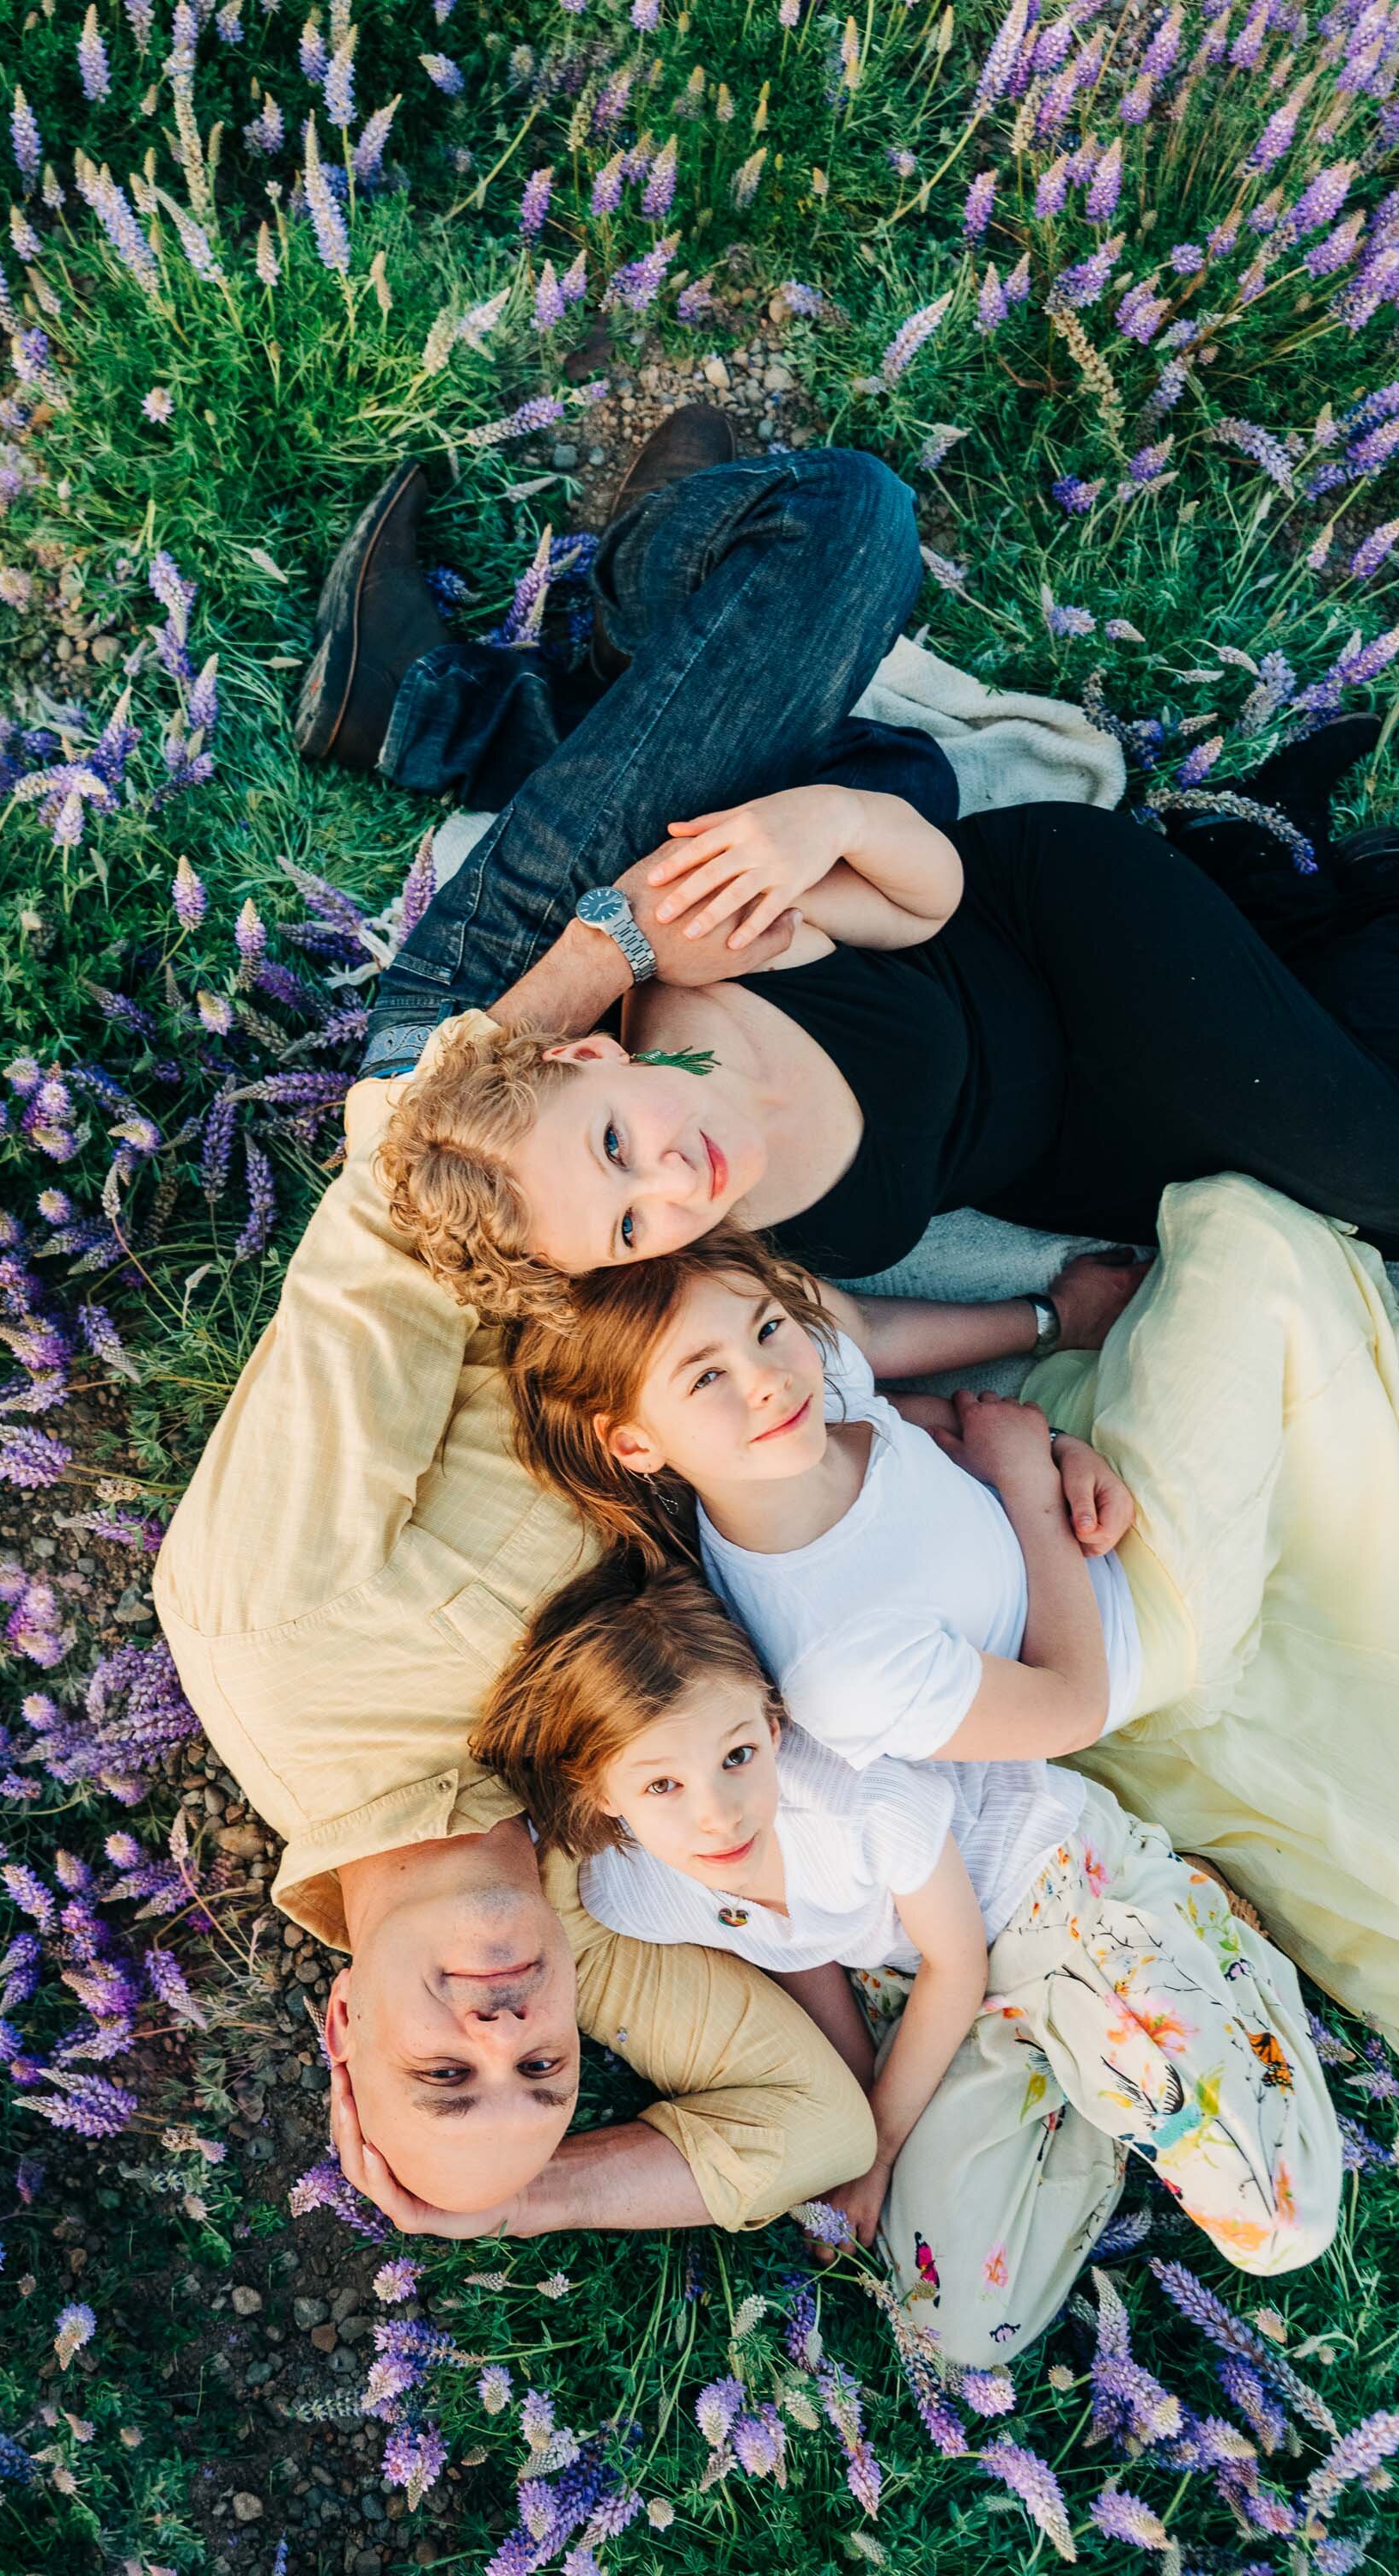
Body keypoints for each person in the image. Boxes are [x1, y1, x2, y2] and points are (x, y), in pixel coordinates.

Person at [338, 428, 1399, 1303]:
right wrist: (1038, 1325)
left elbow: (919, 902)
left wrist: (815, 826)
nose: (663, 1184)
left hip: (1040, 935)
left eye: (621, 1147)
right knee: (1329, 1181)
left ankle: (581, 649)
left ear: (585, 1057)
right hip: (1076, 1108)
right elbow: (833, 1339)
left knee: (849, 525)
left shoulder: (707, 960)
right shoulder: (668, 1241)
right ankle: (639, 672)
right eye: (626, 1224)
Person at [152, 1049, 876, 2235]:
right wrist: (507, 2203)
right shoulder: (576, 1921)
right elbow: (814, 2123)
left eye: (441, 2075)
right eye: (542, 2074)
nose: (502, 2035)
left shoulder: (278, 1640)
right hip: (790, 1323)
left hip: (589, 1118)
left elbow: (401, 1196)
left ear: (342, 2027)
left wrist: (612, 939)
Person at [498, 1181, 1399, 2049]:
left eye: (769, 1328)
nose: (767, 1379)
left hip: (1053, 1496)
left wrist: (1054, 1435)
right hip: (1126, 1620)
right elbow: (1071, 1703)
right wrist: (1027, 1485)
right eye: (705, 1380)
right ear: (634, 1442)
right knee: (1242, 1236)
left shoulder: (795, 1410)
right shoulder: (836, 1663)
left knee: (1244, 1301)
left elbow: (913, 1411)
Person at [472, 1560, 1341, 2362]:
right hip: (950, 2007)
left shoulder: (857, 1799)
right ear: (602, 1795)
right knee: (954, 2321)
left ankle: (1195, 1933)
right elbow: (791, 1950)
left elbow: (955, 1961)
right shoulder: (633, 1893)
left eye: (737, 1756)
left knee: (1276, 2226)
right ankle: (1096, 2081)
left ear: (772, 1728)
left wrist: (878, 2150)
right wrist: (857, 2111)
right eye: (662, 1786)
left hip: (1064, 1902)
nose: (719, 1814)